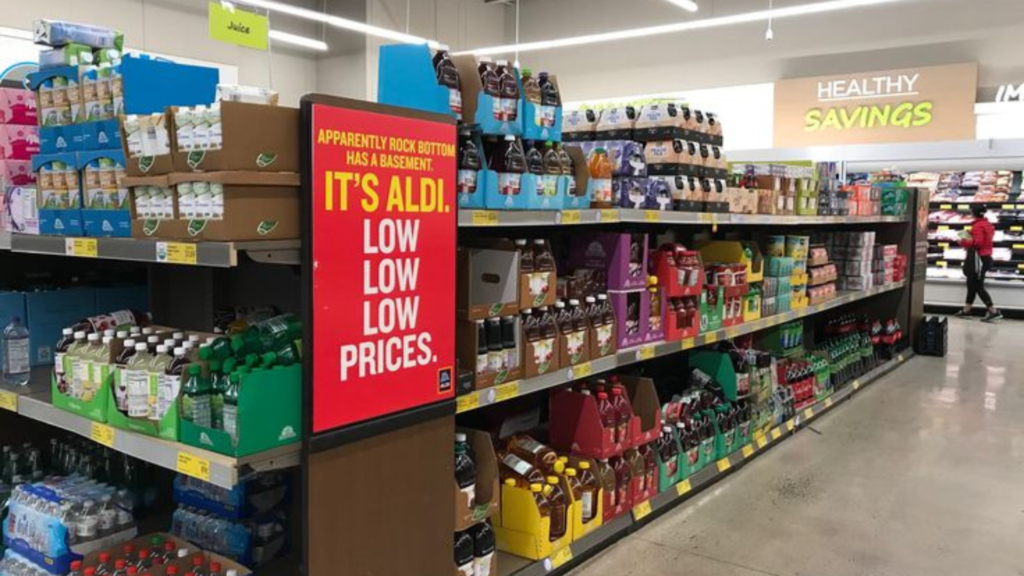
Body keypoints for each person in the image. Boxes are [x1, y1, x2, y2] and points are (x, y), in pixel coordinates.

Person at [956, 204, 1002, 322]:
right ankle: (967, 310)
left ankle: (993, 311)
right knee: (971, 284)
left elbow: (978, 244)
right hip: (985, 257)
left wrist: (963, 241)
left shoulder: (977, 226)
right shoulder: (987, 224)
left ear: (973, 213)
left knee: (977, 286)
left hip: (979, 259)